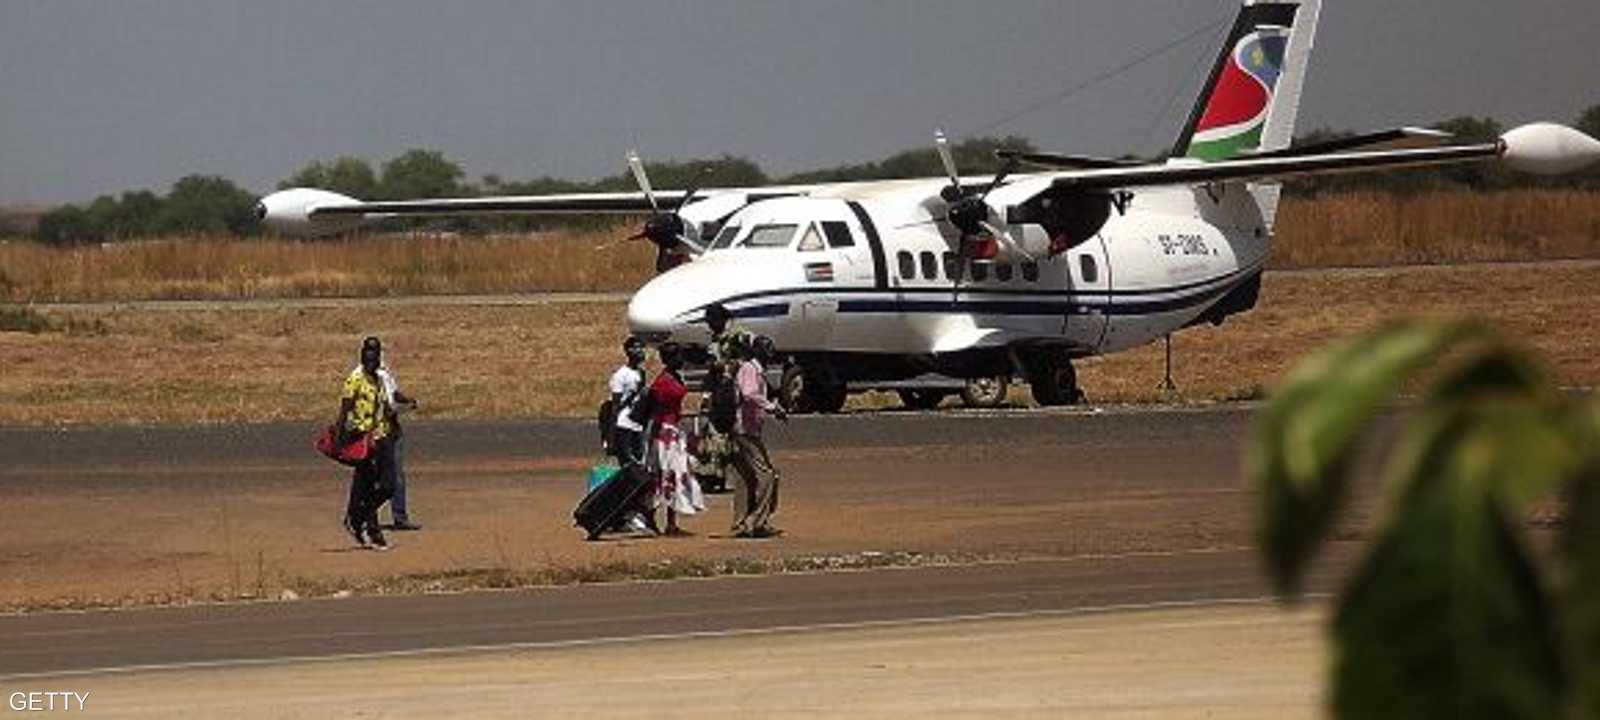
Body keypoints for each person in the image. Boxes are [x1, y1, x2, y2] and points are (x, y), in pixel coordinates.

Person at [336, 336, 395, 550]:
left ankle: (357, 517)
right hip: (363, 439)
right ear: (362, 357)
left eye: (376, 355)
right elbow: (344, 410)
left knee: (389, 486)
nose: (372, 360)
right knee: (367, 485)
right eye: (368, 356)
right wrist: (340, 438)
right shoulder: (356, 379)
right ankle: (372, 529)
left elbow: (387, 402)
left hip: (382, 436)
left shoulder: (379, 377)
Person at [729, 334, 786, 538]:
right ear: (758, 351)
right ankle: (756, 522)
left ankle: (742, 522)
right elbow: (749, 393)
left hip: (748, 430)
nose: (771, 353)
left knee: (746, 478)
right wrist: (771, 407)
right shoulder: (749, 369)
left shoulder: (757, 371)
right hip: (745, 431)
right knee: (767, 475)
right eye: (767, 349)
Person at [647, 343, 704, 535]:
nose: (681, 360)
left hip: (673, 430)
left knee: (674, 476)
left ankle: (670, 522)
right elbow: (653, 410)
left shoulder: (674, 377)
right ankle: (653, 516)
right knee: (664, 475)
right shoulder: (662, 382)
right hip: (664, 433)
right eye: (677, 356)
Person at [606, 336, 657, 534]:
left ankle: (634, 514)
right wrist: (611, 438)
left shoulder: (641, 373)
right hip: (624, 427)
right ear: (627, 352)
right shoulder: (621, 375)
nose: (639, 351)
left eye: (641, 347)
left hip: (637, 427)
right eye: (634, 348)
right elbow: (615, 407)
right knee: (630, 473)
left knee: (639, 472)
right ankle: (624, 517)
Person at [378, 361, 421, 531]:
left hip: (393, 429)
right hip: (377, 431)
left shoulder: (384, 370)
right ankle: (365, 517)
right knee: (374, 476)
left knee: (397, 475)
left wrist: (406, 400)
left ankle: (400, 517)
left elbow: (393, 393)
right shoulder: (361, 377)